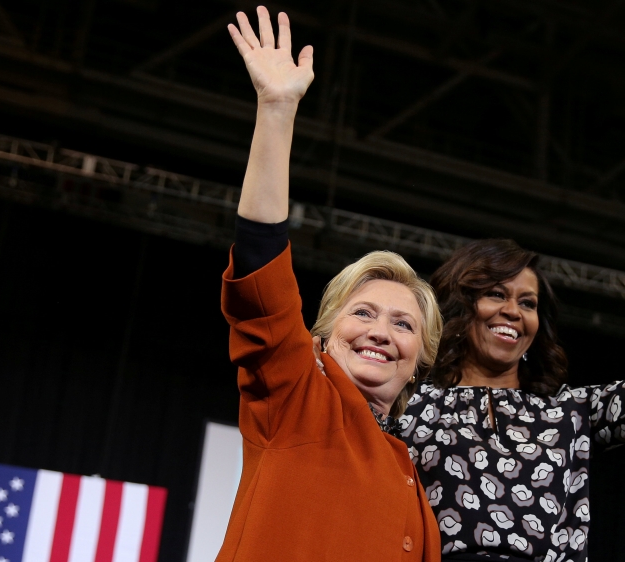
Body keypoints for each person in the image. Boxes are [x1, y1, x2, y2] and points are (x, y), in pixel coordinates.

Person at [398, 135, 625, 561]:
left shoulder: (569, 415)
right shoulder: (410, 405)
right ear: (460, 304)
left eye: (528, 302)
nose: (514, 312)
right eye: (496, 294)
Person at [217, 7, 443, 561]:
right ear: (321, 338)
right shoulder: (296, 396)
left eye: (403, 323)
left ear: (421, 359)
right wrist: (276, 110)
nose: (382, 331)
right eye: (362, 313)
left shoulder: (412, 479)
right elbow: (261, 267)